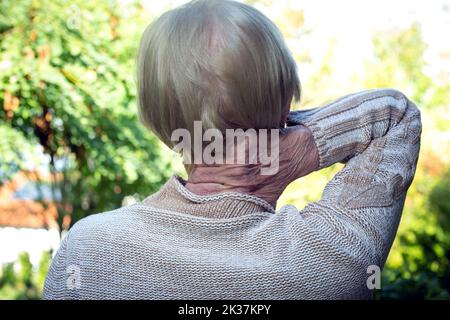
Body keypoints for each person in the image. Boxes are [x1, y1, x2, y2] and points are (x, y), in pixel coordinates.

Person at [43, 0, 421, 299]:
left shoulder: (87, 251)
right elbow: (394, 116)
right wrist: (293, 148)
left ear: (155, 121)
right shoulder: (332, 259)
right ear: (286, 101)